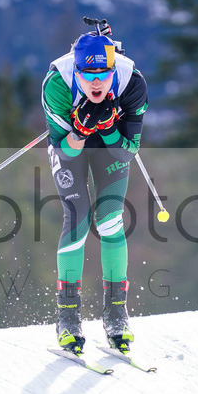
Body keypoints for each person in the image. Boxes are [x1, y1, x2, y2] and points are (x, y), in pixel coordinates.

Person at [41, 21, 148, 354]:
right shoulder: (57, 85)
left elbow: (128, 151)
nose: (97, 82)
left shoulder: (132, 82)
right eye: (89, 75)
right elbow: (65, 151)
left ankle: (116, 315)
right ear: (77, 71)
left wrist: (110, 128)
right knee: (78, 218)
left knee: (110, 221)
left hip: (111, 148)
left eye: (103, 73)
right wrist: (81, 130)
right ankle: (68, 318)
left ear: (114, 68)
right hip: (71, 145)